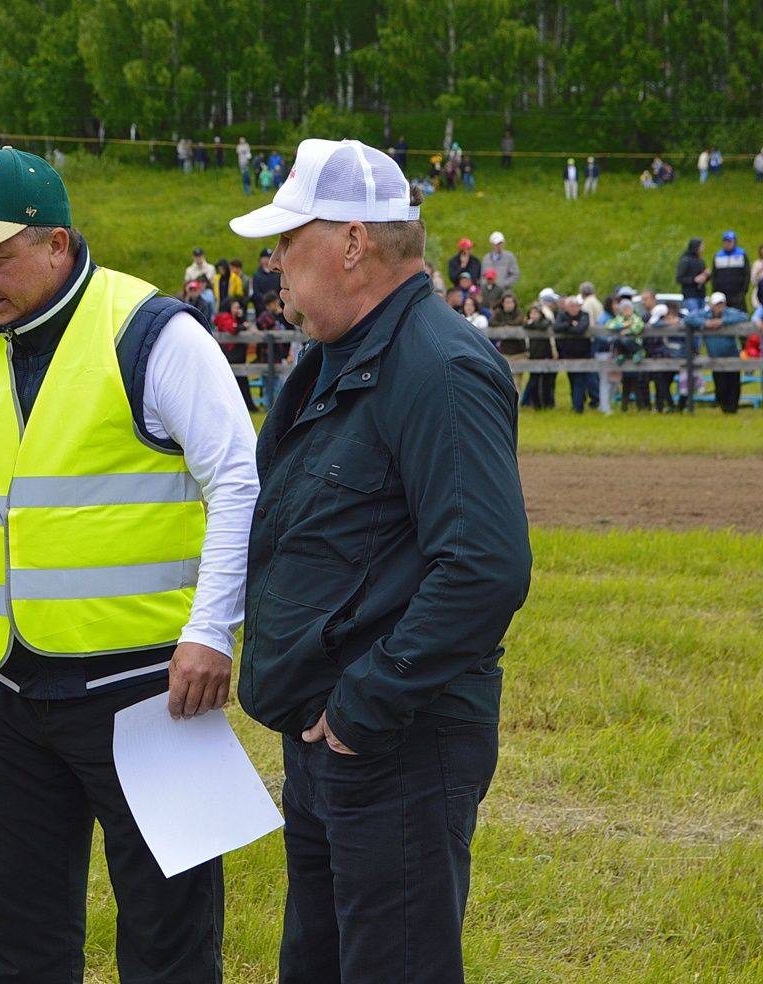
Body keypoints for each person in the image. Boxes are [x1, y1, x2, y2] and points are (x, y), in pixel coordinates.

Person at [0, 146, 258, 982]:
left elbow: (239, 478)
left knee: (169, 944)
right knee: (24, 944)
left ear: (57, 244)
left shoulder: (156, 334)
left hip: (153, 691)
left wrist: (212, 632)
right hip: (8, 697)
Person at [228, 138, 531, 984]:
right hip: (332, 741)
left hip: (395, 742)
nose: (274, 262)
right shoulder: (338, 359)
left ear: (352, 243)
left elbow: (484, 567)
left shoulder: (438, 368)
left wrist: (363, 709)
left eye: (289, 240)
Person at [684, 291, 749, 413]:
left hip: (732, 355)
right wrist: (706, 323)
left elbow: (743, 316)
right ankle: (724, 406)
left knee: (734, 383)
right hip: (715, 357)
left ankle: (732, 408)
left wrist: (722, 321)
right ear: (711, 305)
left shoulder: (729, 313)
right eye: (716, 304)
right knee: (720, 385)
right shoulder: (705, 315)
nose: (719, 307)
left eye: (721, 304)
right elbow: (689, 318)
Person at [554, 294, 594, 412]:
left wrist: (568, 327)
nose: (574, 309)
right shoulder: (562, 315)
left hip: (584, 353)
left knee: (580, 380)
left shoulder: (584, 315)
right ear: (566, 307)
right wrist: (571, 324)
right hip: (568, 353)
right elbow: (556, 327)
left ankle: (578, 407)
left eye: (576, 306)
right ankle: (577, 403)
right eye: (571, 306)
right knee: (572, 380)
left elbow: (581, 329)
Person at [608, 297, 648, 411]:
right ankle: (624, 406)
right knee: (626, 382)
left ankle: (640, 405)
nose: (627, 311)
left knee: (636, 382)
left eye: (628, 308)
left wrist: (627, 330)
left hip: (634, 347)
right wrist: (624, 325)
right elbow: (609, 325)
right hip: (625, 355)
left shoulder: (636, 318)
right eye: (624, 309)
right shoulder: (620, 319)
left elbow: (638, 327)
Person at [522, 291, 557, 409]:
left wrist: (534, 323)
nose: (534, 315)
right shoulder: (528, 323)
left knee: (547, 380)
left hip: (545, 352)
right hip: (533, 353)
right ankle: (534, 403)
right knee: (534, 380)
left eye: (536, 313)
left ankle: (548, 403)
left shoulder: (545, 321)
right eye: (532, 313)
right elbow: (526, 325)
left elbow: (545, 325)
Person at [490, 290, 527, 395]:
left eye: (511, 302)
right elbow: (492, 322)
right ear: (503, 303)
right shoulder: (499, 313)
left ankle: (518, 403)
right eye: (507, 302)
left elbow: (518, 322)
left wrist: (505, 326)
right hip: (505, 352)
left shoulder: (519, 312)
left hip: (519, 351)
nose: (509, 305)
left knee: (517, 380)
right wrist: (504, 326)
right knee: (506, 379)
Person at [713, 231, 749, 310]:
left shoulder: (741, 254)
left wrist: (744, 290)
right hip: (723, 291)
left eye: (730, 241)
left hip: (737, 292)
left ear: (734, 242)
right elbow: (714, 275)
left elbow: (746, 273)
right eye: (725, 241)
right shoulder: (718, 255)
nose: (727, 244)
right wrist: (715, 290)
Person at [676, 238, 710, 315]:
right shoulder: (685, 260)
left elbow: (703, 278)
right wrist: (694, 280)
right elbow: (679, 278)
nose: (703, 248)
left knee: (701, 315)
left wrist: (706, 275)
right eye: (701, 246)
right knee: (694, 315)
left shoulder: (701, 260)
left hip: (701, 294)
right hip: (690, 295)